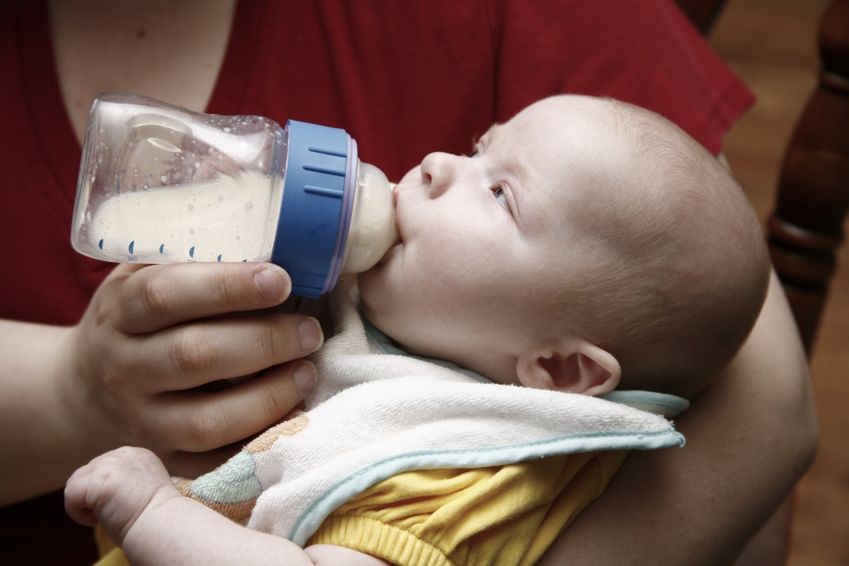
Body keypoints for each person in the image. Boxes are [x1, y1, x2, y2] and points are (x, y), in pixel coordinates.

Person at [1, 1, 815, 564]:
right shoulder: (411, 351)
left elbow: (768, 407)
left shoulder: (454, 482)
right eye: (474, 145)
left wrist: (148, 510)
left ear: (560, 372)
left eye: (497, 191)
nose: (434, 164)